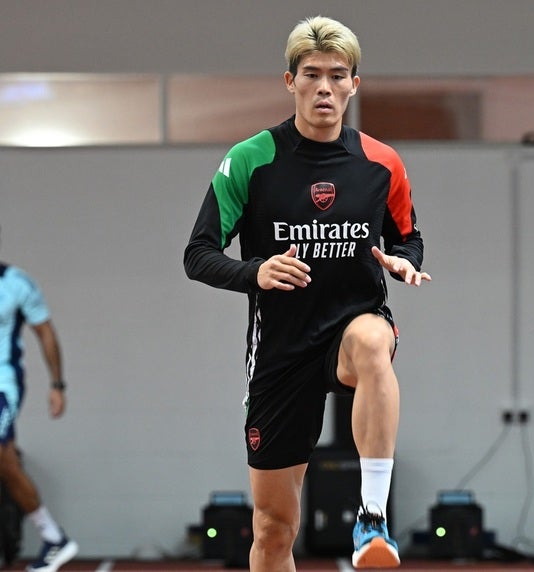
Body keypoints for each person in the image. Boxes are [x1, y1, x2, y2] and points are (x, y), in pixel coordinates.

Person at [184, 15, 431, 571]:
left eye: (337, 76)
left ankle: (372, 515)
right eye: (312, 74)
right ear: (290, 81)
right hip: (281, 349)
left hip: (351, 325)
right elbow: (197, 254)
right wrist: (254, 272)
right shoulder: (251, 160)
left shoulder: (381, 163)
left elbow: (409, 237)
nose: (325, 87)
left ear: (353, 85)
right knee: (274, 530)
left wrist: (404, 262)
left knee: (375, 343)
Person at [0, 230, 79, 572]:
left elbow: (45, 332)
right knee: (6, 463)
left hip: (3, 385)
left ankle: (53, 538)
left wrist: (57, 385)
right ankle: (54, 539)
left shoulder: (17, 284)